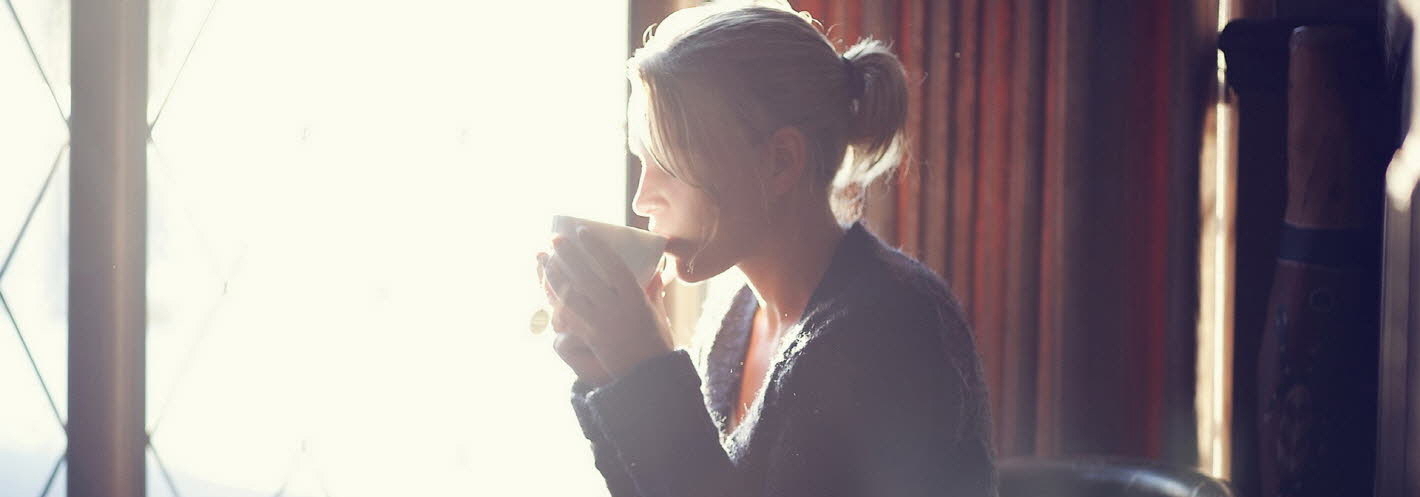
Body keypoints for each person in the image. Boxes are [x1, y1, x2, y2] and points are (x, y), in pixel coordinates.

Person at [535, 3, 995, 496]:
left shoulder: (892, 327)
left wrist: (644, 373)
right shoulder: (735, 311)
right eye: (642, 162)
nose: (642, 200)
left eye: (667, 164)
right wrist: (606, 375)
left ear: (780, 162)